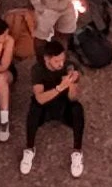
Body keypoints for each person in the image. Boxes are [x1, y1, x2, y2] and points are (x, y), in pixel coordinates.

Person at [22, 31, 86, 176]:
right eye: (57, 61)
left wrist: (72, 83)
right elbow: (40, 98)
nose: (60, 64)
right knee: (33, 110)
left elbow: (73, 98)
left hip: (63, 104)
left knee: (77, 109)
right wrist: (60, 87)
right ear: (47, 59)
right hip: (45, 104)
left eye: (62, 60)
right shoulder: (37, 70)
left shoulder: (68, 66)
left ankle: (77, 152)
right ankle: (29, 148)